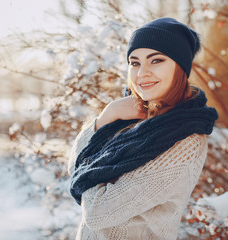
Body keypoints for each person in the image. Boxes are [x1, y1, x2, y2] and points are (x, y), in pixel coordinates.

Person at [68, 17, 218, 240]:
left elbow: (98, 211)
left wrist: (89, 172)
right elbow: (75, 167)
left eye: (156, 60)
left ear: (180, 68)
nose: (141, 73)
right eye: (135, 63)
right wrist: (106, 118)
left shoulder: (185, 140)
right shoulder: (130, 116)